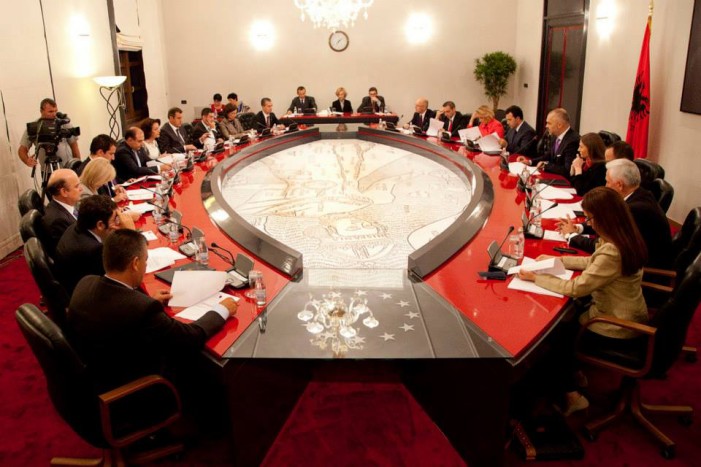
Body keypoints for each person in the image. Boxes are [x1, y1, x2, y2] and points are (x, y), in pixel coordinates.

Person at [519, 186, 648, 416]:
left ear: (603, 218)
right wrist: (557, 260)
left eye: (590, 218)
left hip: (615, 325)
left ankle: (571, 395)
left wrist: (537, 277)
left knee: (556, 338)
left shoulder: (612, 251)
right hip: (629, 313)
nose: (589, 223)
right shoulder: (624, 236)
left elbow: (576, 288)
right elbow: (593, 263)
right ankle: (574, 376)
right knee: (565, 325)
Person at [67, 228, 237, 392]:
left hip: (96, 372)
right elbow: (189, 337)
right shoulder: (142, 309)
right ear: (135, 263)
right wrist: (221, 310)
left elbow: (118, 311)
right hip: (136, 388)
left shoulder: (85, 283)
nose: (145, 265)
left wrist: (148, 301)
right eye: (145, 260)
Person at [557, 158, 672, 268]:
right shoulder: (639, 194)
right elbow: (607, 223)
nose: (605, 186)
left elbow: (604, 247)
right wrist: (578, 228)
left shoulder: (634, 209)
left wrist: (571, 236)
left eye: (607, 182)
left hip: (640, 269)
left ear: (619, 185)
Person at [55, 195, 134, 295]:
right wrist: (130, 232)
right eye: (115, 219)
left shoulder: (77, 226)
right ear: (100, 225)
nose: (118, 223)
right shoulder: (94, 250)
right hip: (89, 296)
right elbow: (123, 274)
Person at [18, 98, 81, 170]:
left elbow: (74, 147)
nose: (54, 114)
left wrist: (78, 167)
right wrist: (27, 160)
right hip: (47, 170)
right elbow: (22, 150)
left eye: (55, 111)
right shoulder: (35, 127)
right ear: (41, 111)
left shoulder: (63, 123)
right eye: (50, 111)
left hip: (67, 169)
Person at [518, 108, 579, 178]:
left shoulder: (573, 141)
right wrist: (530, 162)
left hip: (564, 182)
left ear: (559, 125)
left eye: (549, 123)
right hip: (553, 177)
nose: (546, 126)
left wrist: (546, 166)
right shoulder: (555, 135)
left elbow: (567, 170)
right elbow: (548, 156)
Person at [42, 168, 82, 251]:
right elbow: (76, 250)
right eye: (77, 186)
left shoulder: (68, 205)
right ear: (64, 192)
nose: (81, 189)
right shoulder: (58, 221)